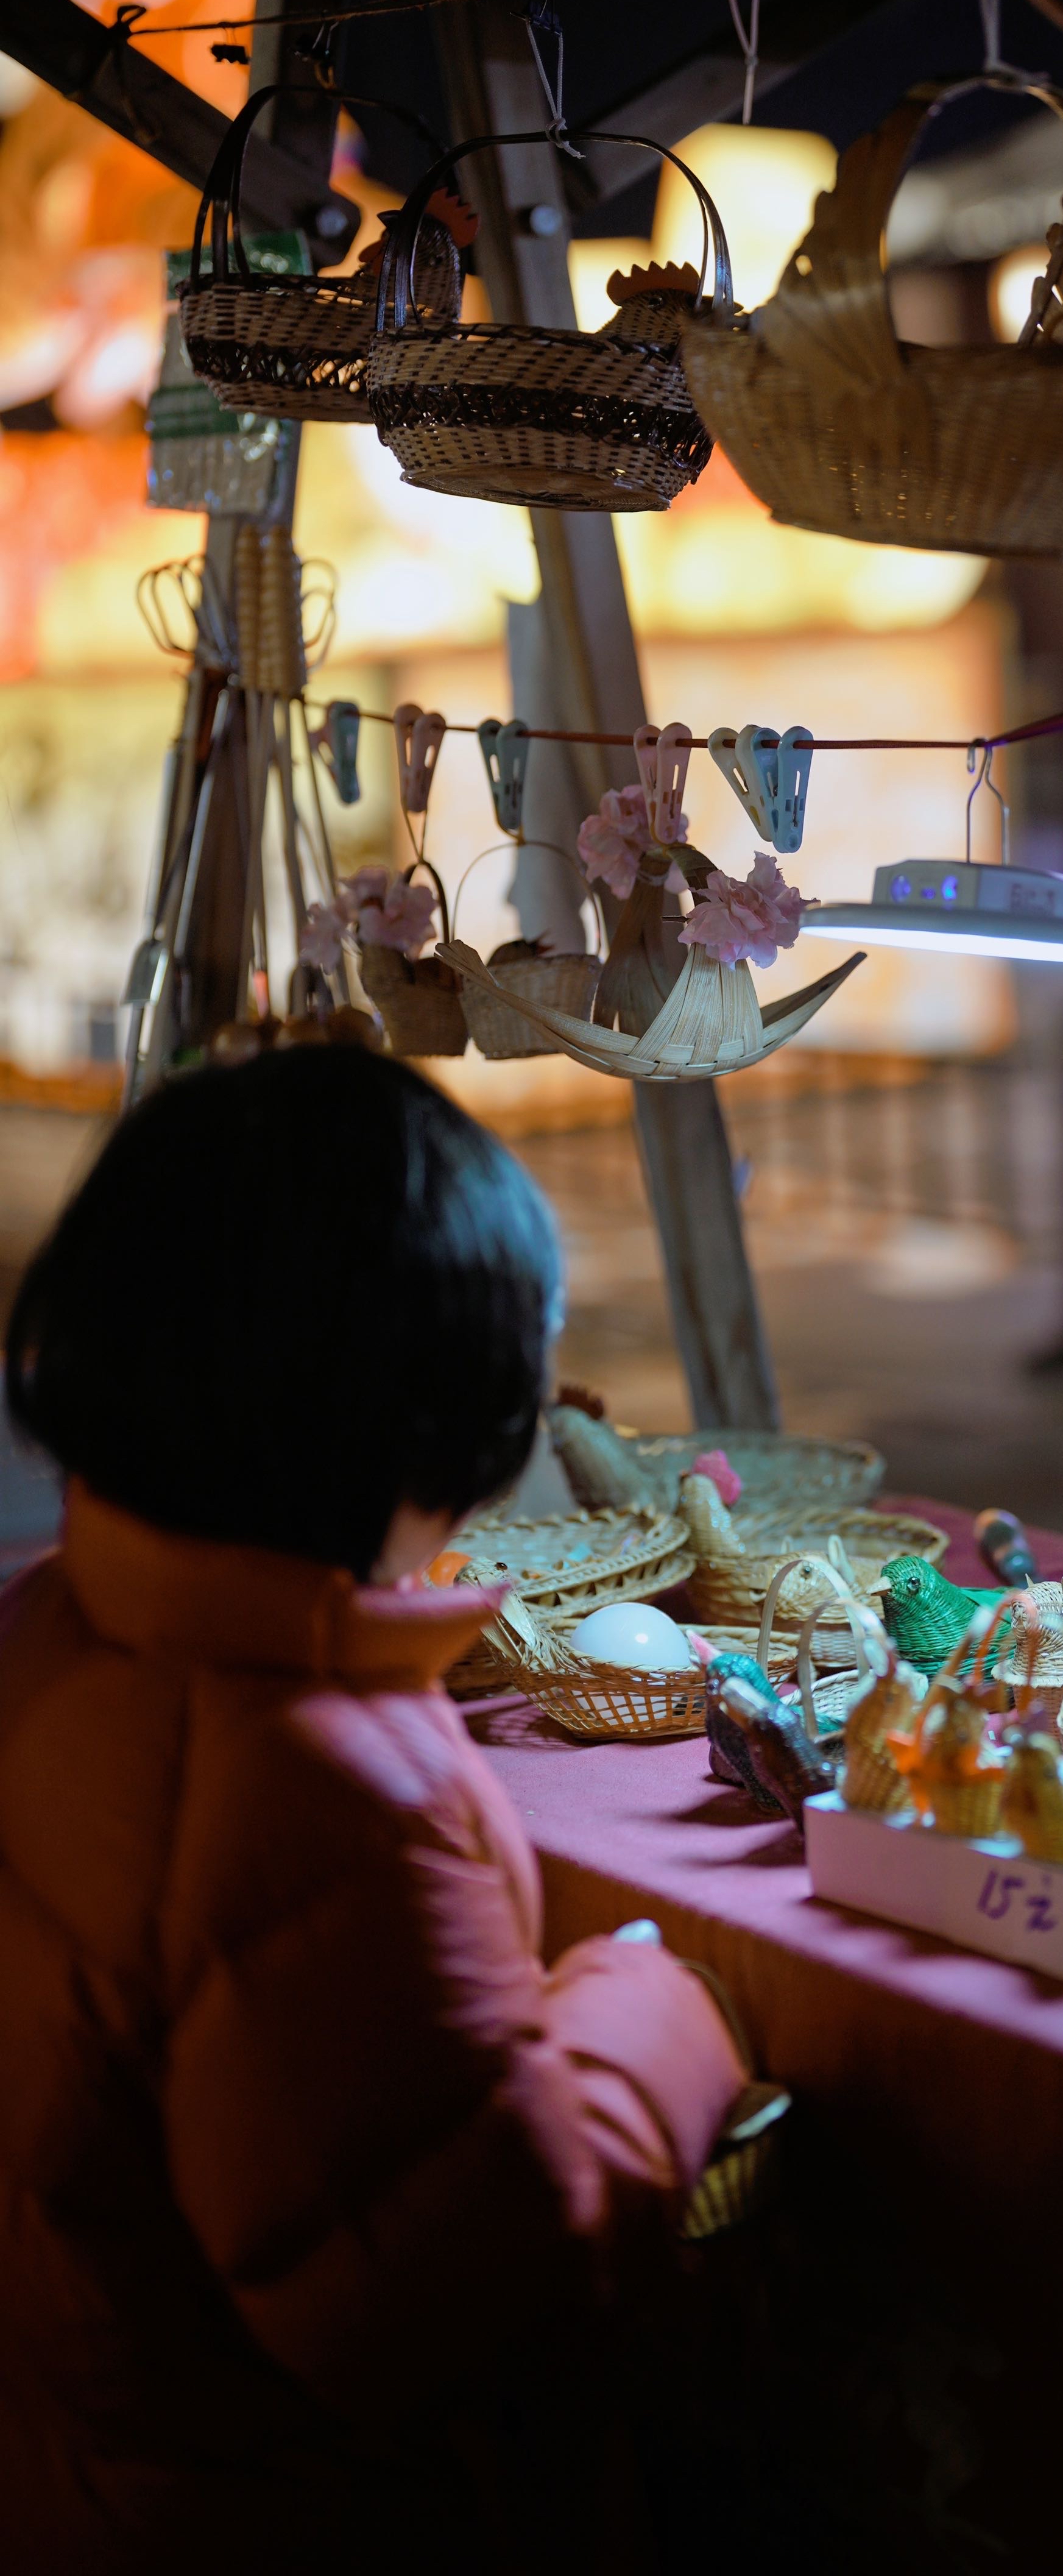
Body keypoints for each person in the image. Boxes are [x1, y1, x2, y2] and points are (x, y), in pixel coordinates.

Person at [0, 1047, 743, 2572]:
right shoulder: (319, 1788)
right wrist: (648, 2014)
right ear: (414, 1416)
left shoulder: (61, 1620)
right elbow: (486, 2286)